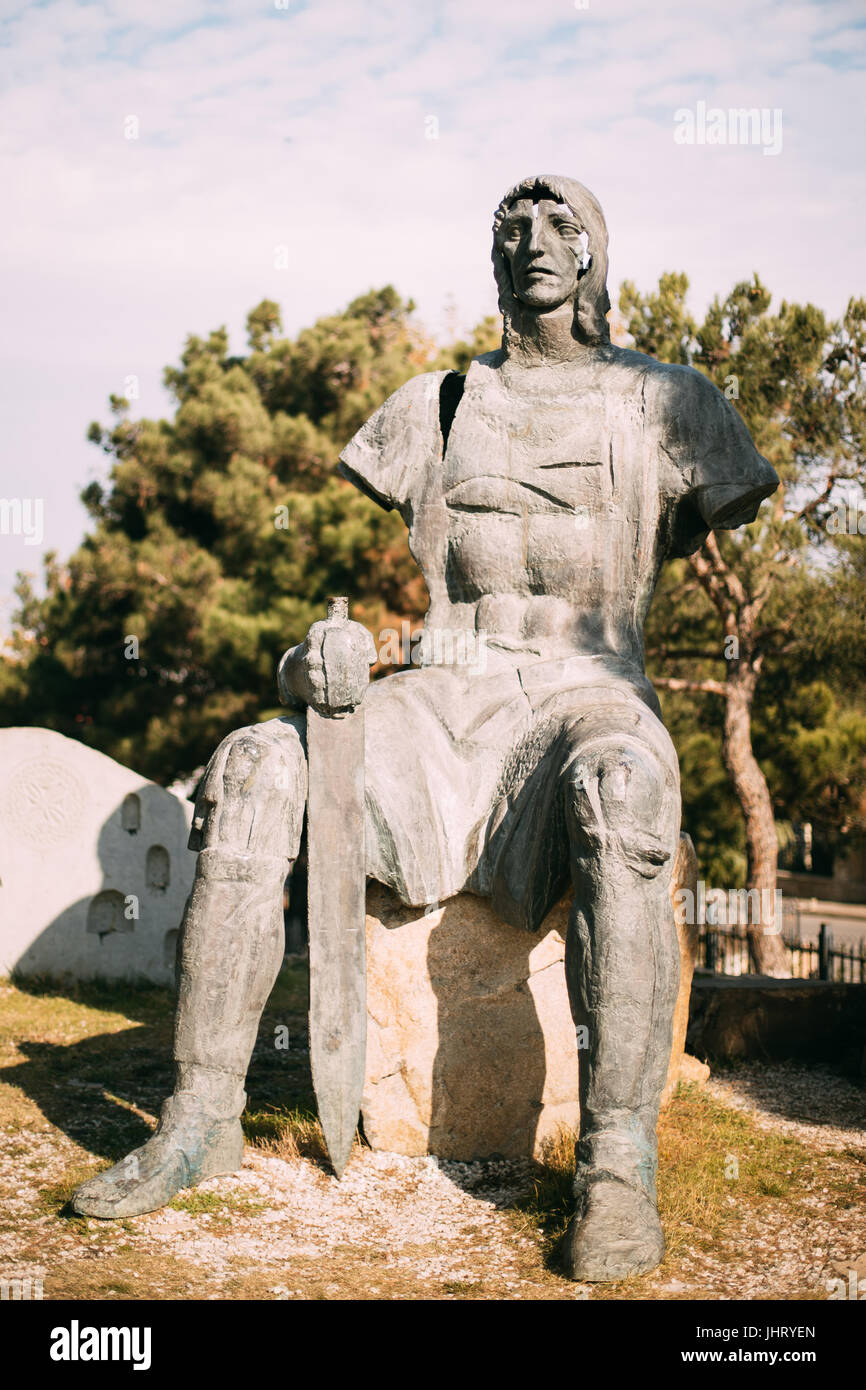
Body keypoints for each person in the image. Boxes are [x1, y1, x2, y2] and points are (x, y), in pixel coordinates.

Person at [73, 175, 778, 1281]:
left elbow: (712, 506)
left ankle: (614, 1164)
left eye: (558, 225)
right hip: (438, 700)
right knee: (257, 762)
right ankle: (201, 1117)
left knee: (625, 792)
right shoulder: (433, 406)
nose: (532, 242)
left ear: (595, 252)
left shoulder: (672, 403)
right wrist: (313, 660)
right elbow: (350, 645)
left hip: (583, 699)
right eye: (510, 226)